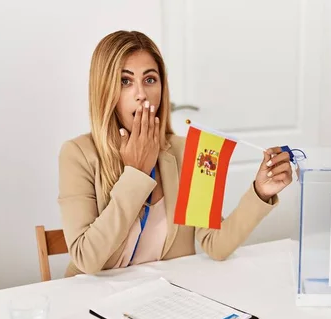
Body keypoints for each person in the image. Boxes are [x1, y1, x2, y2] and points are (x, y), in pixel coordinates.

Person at [58, 30, 293, 277]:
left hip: (166, 298)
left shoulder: (189, 152)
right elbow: (86, 259)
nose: (141, 94)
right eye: (124, 81)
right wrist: (135, 173)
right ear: (103, 90)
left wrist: (260, 192)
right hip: (93, 299)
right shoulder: (77, 155)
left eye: (150, 80)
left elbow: (216, 245)